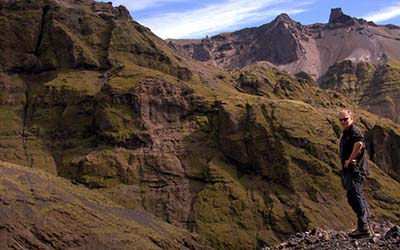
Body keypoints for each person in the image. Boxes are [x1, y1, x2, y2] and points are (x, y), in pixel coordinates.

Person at [338, 109, 371, 238]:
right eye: (341, 120)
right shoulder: (347, 132)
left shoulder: (354, 131)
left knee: (355, 196)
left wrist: (350, 159)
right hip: (351, 169)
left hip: (355, 169)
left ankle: (363, 228)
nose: (343, 122)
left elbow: (359, 143)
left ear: (351, 118)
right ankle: (364, 225)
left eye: (345, 119)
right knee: (355, 196)